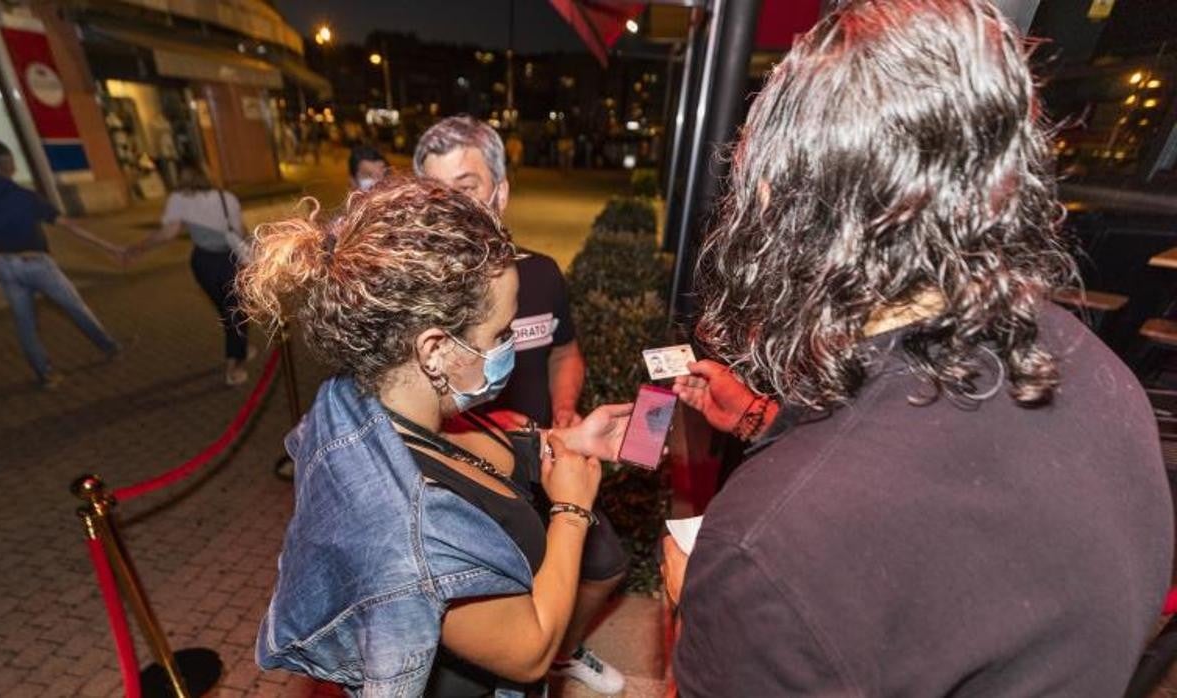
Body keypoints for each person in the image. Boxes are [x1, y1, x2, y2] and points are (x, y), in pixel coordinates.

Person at [663, 1, 1173, 695]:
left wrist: (698, 611)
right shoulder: (1099, 375)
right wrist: (765, 421)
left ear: (788, 210)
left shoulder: (764, 554)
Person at [242, 177, 632, 696]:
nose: (511, 345)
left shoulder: (369, 398)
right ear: (434, 349)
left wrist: (564, 442)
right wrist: (572, 510)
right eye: (500, 333)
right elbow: (533, 651)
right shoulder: (409, 535)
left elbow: (462, 455)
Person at [415, 115, 628, 695]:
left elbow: (566, 352)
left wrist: (564, 415)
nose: (452, 210)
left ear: (501, 192)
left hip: (542, 456)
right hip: (470, 480)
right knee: (510, 614)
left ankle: (561, 649)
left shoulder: (540, 274)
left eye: (466, 189)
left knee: (605, 565)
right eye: (436, 194)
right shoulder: (414, 303)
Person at [0, 139, 122, 389]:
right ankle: (109, 347)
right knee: (75, 307)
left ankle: (45, 374)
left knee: (25, 323)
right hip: (36, 263)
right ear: (6, 162)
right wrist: (110, 247)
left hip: (3, 265)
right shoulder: (23, 197)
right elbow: (67, 225)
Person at [126, 165, 252, 386]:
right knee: (236, 310)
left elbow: (168, 233)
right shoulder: (226, 198)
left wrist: (138, 248)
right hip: (229, 260)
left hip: (202, 262)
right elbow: (240, 231)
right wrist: (253, 252)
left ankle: (240, 346)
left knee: (227, 309)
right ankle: (234, 366)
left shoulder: (178, 199)